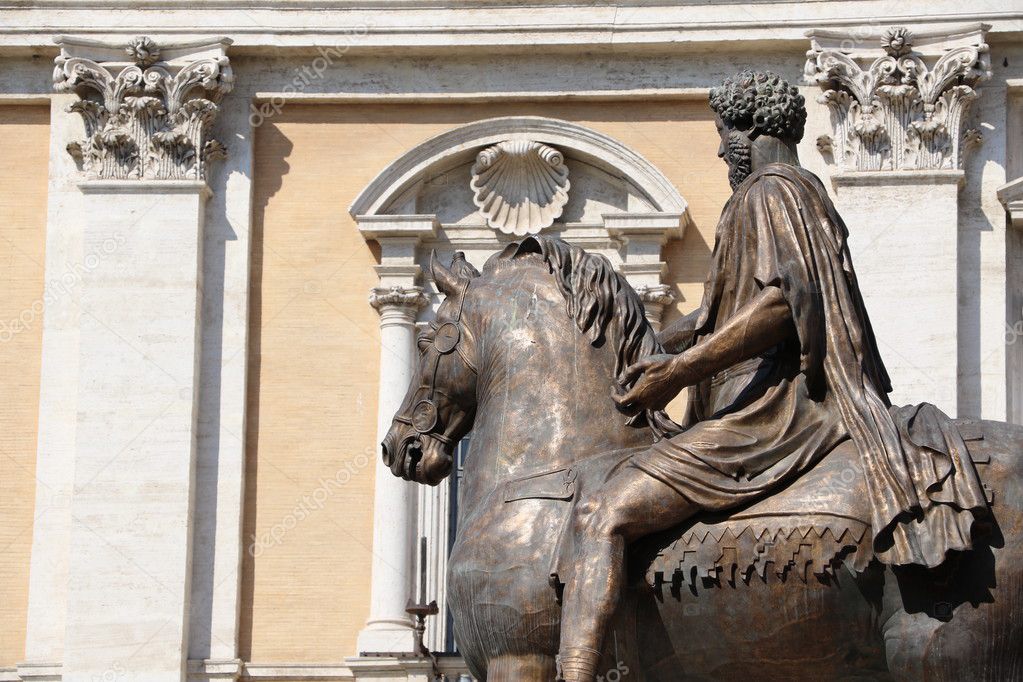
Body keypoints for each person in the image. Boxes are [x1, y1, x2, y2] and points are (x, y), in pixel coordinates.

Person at [556, 70, 989, 682]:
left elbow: (782, 305)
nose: (717, 148)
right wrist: (650, 349)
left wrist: (675, 373)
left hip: (777, 414)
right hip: (785, 403)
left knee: (603, 513)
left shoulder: (769, 192)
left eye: (723, 132)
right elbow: (715, 319)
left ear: (753, 131)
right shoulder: (798, 193)